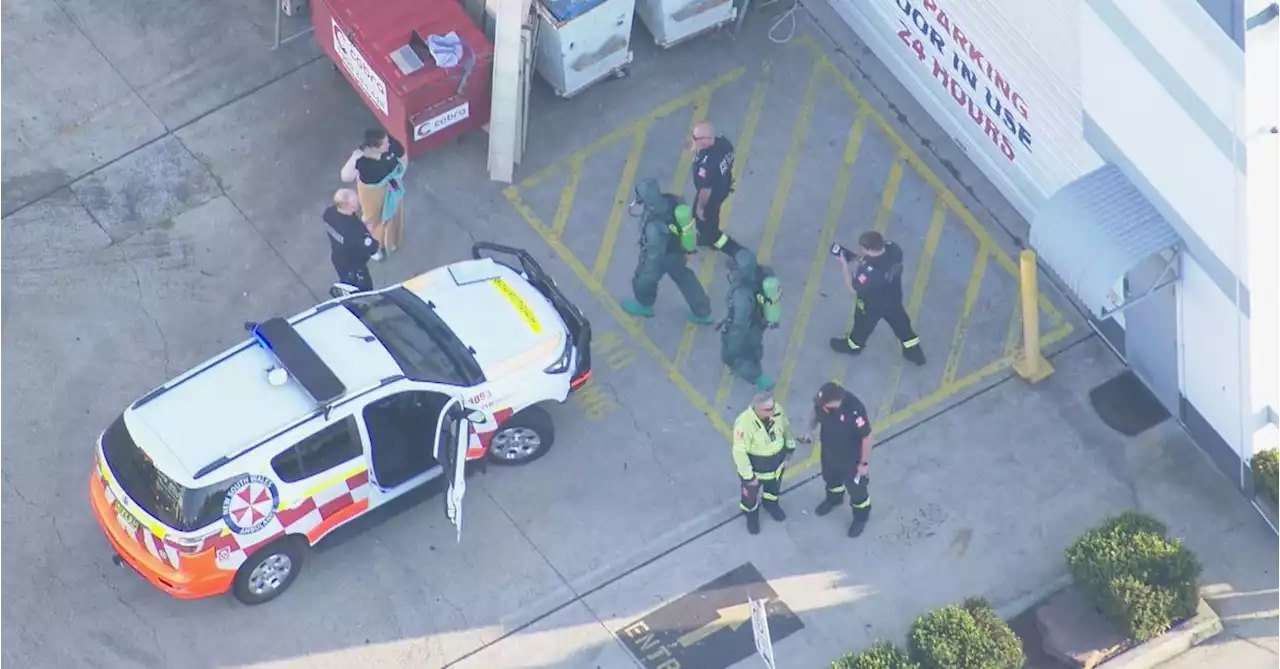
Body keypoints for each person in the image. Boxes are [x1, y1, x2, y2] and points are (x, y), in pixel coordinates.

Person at [620, 179, 714, 324]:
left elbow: (653, 259)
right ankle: (703, 312)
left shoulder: (654, 229)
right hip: (679, 249)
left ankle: (644, 305)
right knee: (686, 279)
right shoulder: (672, 199)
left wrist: (646, 278)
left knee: (642, 280)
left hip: (663, 255)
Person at [829, 230, 927, 366]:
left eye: (863, 249)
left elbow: (853, 287)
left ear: (868, 249)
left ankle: (853, 347)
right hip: (893, 300)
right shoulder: (894, 249)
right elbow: (874, 261)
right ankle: (914, 353)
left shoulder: (869, 273)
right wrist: (855, 258)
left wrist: (844, 264)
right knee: (902, 325)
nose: (861, 251)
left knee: (861, 327)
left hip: (871, 306)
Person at [799, 381, 874, 538]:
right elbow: (815, 412)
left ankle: (860, 517)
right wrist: (808, 430)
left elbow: (866, 437)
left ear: (834, 401)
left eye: (824, 404)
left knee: (857, 491)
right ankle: (834, 499)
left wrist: (863, 463)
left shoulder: (855, 411)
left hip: (851, 458)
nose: (822, 407)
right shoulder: (823, 404)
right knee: (830, 478)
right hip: (829, 450)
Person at [732, 391, 796, 535]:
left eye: (773, 406)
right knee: (750, 497)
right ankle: (752, 517)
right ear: (757, 409)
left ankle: (771, 504)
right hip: (756, 472)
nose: (773, 411)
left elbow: (786, 427)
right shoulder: (744, 424)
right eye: (768, 410)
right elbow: (739, 452)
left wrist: (790, 447)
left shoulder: (777, 410)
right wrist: (749, 477)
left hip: (776, 466)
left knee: (773, 489)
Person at [340, 129, 407, 260]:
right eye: (384, 144)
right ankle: (372, 247)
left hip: (391, 185)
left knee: (393, 212)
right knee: (372, 219)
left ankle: (390, 240)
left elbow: (403, 156)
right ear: (373, 148)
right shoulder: (362, 160)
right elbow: (345, 177)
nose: (388, 145)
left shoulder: (390, 144)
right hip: (371, 191)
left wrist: (400, 175)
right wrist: (354, 158)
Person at [720, 248, 774, 390]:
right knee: (754, 347)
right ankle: (755, 363)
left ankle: (757, 378)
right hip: (759, 322)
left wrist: (732, 347)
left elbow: (739, 325)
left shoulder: (742, 295)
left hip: (748, 327)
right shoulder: (763, 274)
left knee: (736, 358)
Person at [688, 122, 744, 257]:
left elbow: (705, 190)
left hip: (711, 196)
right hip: (722, 186)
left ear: (705, 140)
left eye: (696, 139)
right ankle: (710, 232)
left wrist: (700, 207)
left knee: (704, 219)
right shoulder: (724, 144)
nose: (693, 141)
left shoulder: (707, 165)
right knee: (711, 217)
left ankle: (727, 246)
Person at [324, 189, 379, 292]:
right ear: (348, 207)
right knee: (365, 289)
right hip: (355, 264)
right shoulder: (356, 231)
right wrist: (369, 231)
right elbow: (373, 248)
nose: (358, 202)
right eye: (355, 202)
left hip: (338, 260)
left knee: (347, 283)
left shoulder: (328, 214)